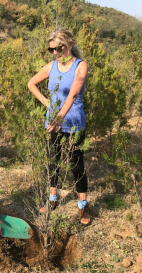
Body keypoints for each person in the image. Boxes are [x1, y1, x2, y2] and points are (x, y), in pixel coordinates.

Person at [28, 27, 90, 225]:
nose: (55, 53)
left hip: (73, 122)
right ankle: (52, 199)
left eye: (58, 48)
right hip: (53, 123)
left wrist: (59, 117)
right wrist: (47, 104)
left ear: (69, 44)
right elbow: (31, 83)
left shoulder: (81, 66)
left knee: (76, 164)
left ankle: (83, 205)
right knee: (52, 161)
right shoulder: (51, 67)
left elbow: (73, 93)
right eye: (51, 50)